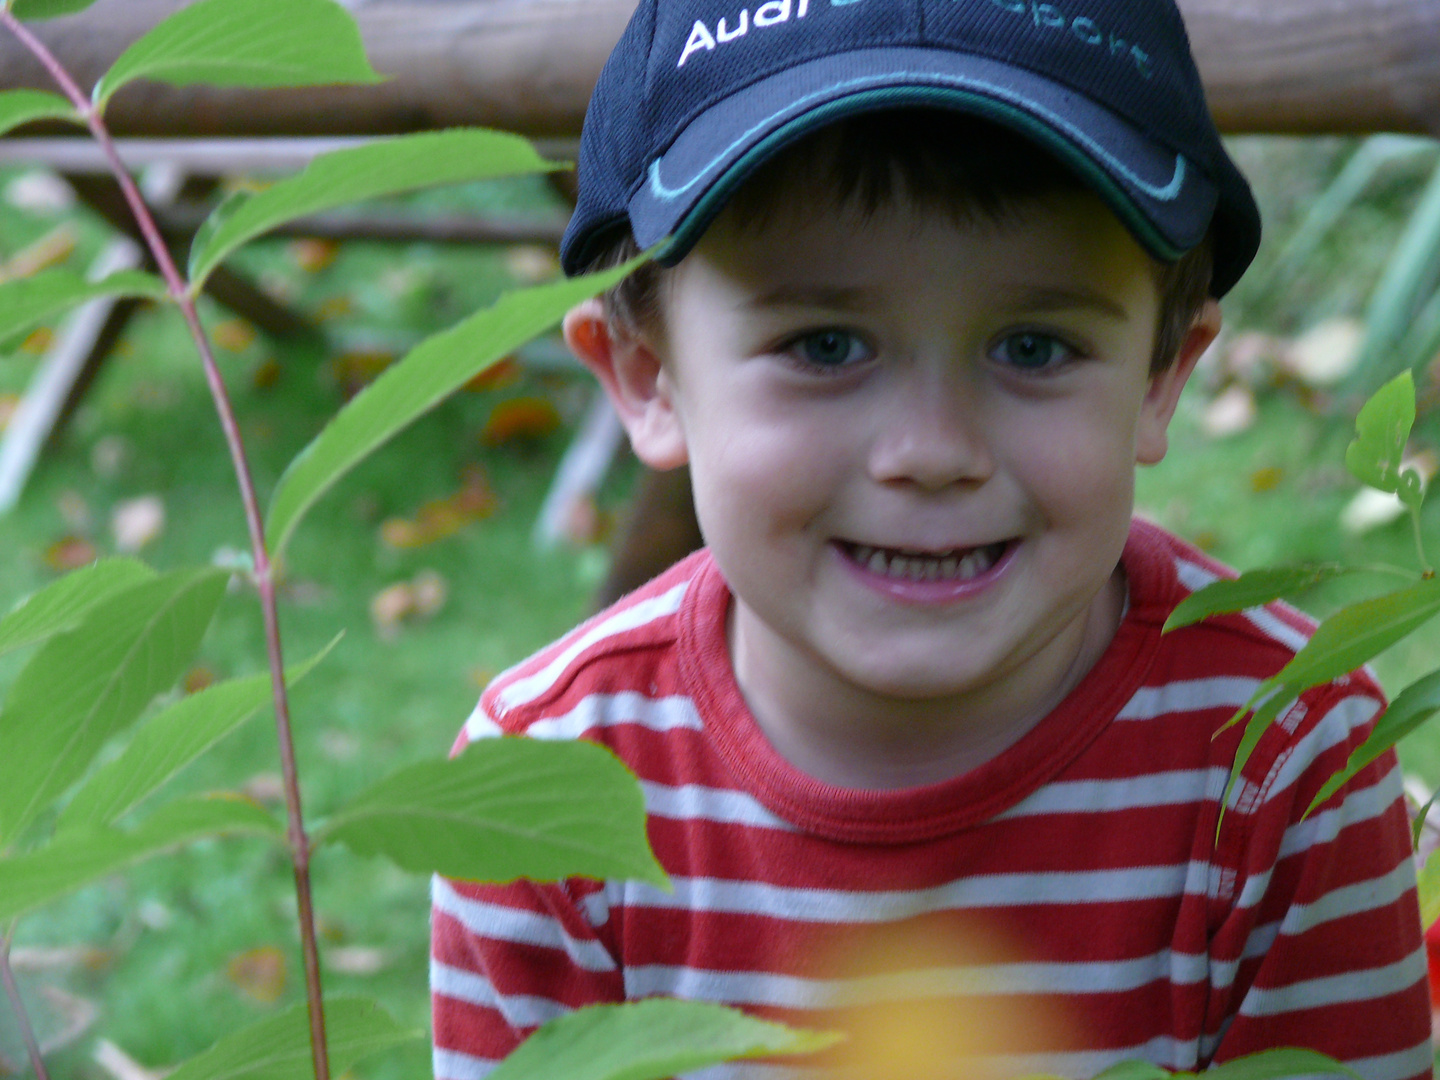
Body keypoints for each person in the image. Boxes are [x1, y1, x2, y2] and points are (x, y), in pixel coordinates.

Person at [431, 0, 1433, 1076]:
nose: (932, 450)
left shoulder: (1286, 761)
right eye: (824, 344)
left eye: (1035, 346)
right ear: (647, 376)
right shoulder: (542, 795)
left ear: (1162, 374)